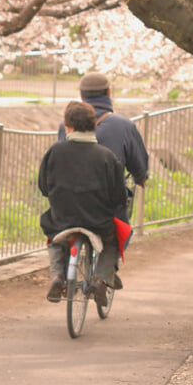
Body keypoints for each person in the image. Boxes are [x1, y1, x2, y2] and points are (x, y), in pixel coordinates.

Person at [58, 71, 149, 287]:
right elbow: (138, 163)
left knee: (59, 231)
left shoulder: (65, 126)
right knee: (117, 232)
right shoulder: (124, 126)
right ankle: (102, 277)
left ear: (81, 97)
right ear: (109, 93)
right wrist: (140, 177)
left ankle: (60, 275)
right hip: (105, 204)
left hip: (70, 202)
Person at [39, 101, 127, 305]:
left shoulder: (55, 152)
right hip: (97, 220)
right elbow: (118, 197)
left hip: (62, 219)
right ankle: (100, 280)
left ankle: (58, 277)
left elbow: (44, 187)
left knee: (55, 238)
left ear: (67, 126)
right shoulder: (107, 157)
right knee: (110, 242)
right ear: (94, 125)